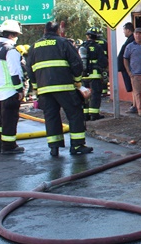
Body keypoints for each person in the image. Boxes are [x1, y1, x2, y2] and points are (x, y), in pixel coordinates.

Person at [26, 21, 93, 157]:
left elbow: (29, 69)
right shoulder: (63, 43)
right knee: (74, 114)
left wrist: (36, 88)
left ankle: (54, 147)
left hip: (44, 90)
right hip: (65, 87)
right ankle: (77, 145)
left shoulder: (34, 47)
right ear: (57, 31)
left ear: (44, 31)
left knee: (51, 117)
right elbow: (76, 63)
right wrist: (77, 82)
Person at [0, 20, 24, 153]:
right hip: (10, 90)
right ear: (12, 35)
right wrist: (19, 89)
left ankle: (0, 143)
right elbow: (15, 72)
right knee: (10, 119)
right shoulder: (11, 50)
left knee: (2, 120)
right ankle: (9, 146)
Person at [82, 26, 107, 121]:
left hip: (84, 75)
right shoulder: (98, 47)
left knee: (85, 95)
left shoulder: (83, 46)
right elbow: (103, 62)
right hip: (95, 75)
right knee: (95, 95)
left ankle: (85, 115)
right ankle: (94, 114)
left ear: (88, 36)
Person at [117, 22, 136, 113]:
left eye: (124, 30)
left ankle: (135, 105)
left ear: (128, 30)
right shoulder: (129, 40)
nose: (124, 32)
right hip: (125, 67)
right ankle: (135, 104)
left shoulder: (132, 40)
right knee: (132, 87)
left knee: (133, 86)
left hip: (129, 68)